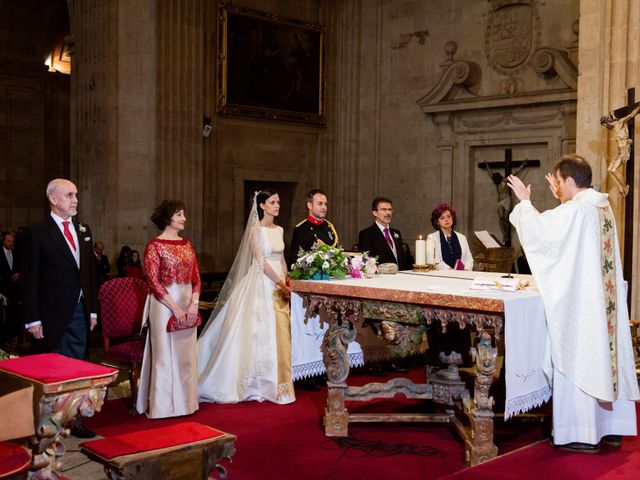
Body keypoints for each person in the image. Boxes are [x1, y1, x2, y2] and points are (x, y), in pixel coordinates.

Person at [507, 154, 639, 452]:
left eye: (557, 183)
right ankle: (610, 428)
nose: (557, 189)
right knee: (604, 357)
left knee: (579, 355)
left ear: (568, 180)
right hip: (600, 301)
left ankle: (581, 433)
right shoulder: (601, 206)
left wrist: (525, 202)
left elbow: (541, 234)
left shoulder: (579, 210)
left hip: (583, 307)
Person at [198, 189, 295, 405]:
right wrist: (279, 283)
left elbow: (280, 258)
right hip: (262, 283)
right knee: (261, 331)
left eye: (278, 202)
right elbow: (261, 262)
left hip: (279, 282)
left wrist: (287, 279)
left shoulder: (279, 230)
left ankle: (279, 381)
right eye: (272, 202)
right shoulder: (255, 231)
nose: (277, 206)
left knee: (279, 331)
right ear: (261, 206)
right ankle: (258, 383)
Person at [21, 178, 98, 438]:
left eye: (76, 194)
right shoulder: (38, 232)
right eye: (69, 195)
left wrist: (92, 310)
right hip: (50, 314)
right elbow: (30, 279)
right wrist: (32, 319)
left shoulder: (84, 230)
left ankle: (74, 419)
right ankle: (48, 423)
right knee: (51, 368)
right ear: (53, 199)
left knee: (77, 365)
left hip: (79, 310)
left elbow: (89, 274)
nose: (75, 199)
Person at [136, 200, 201, 419]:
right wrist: (175, 308)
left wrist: (193, 303)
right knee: (165, 355)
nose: (184, 218)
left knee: (186, 356)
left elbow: (196, 278)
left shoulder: (187, 244)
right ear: (167, 218)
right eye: (179, 214)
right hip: (163, 305)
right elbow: (153, 282)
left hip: (187, 304)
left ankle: (186, 404)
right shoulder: (154, 246)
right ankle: (163, 407)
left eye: (183, 214)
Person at [288, 189, 339, 268]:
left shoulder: (330, 227)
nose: (324, 207)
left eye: (325, 204)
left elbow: (336, 252)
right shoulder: (301, 229)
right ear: (309, 205)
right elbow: (295, 259)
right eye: (320, 204)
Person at [358, 196, 411, 270]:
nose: (388, 213)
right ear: (375, 213)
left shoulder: (396, 233)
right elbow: (366, 261)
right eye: (384, 210)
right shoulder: (366, 234)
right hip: (380, 278)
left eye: (390, 210)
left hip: (399, 277)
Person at [427, 203, 473, 271]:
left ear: (452, 218)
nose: (446, 220)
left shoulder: (462, 237)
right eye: (442, 218)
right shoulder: (432, 238)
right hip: (442, 275)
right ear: (437, 222)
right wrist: (450, 270)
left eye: (448, 216)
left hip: (462, 274)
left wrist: (466, 270)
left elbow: (469, 259)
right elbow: (435, 260)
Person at [0, 233, 20, 351]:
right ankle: (3, 342)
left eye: (12, 241)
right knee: (3, 318)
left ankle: (12, 342)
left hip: (14, 291)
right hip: (3, 290)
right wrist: (9, 277)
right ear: (3, 241)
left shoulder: (16, 252)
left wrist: (19, 274)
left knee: (13, 317)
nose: (11, 243)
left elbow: (20, 266)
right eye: (8, 241)